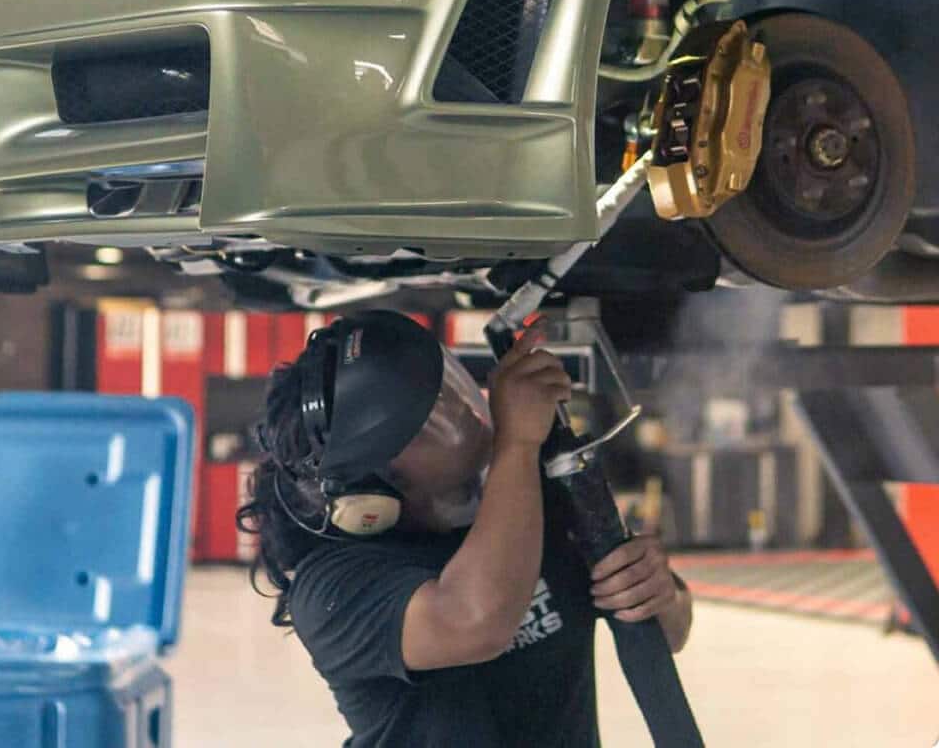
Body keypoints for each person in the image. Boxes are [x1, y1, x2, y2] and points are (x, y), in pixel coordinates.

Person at [238, 309, 692, 747]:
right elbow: (474, 621)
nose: (458, 411)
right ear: (370, 484)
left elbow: (670, 629)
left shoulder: (531, 494)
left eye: (446, 388)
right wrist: (517, 442)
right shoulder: (332, 588)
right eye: (424, 418)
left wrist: (658, 594)